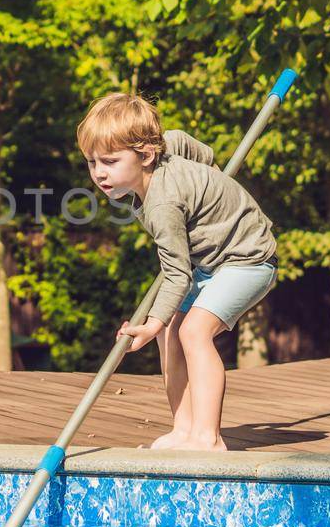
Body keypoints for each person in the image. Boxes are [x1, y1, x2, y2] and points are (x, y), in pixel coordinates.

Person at [76, 93, 277, 451]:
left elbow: (177, 274)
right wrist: (210, 178)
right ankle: (183, 429)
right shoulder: (166, 149)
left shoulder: (163, 205)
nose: (99, 172)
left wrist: (150, 322)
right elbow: (184, 141)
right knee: (170, 331)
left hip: (248, 260)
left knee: (194, 331)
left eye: (110, 161)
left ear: (147, 155)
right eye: (92, 162)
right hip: (211, 261)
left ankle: (208, 437)